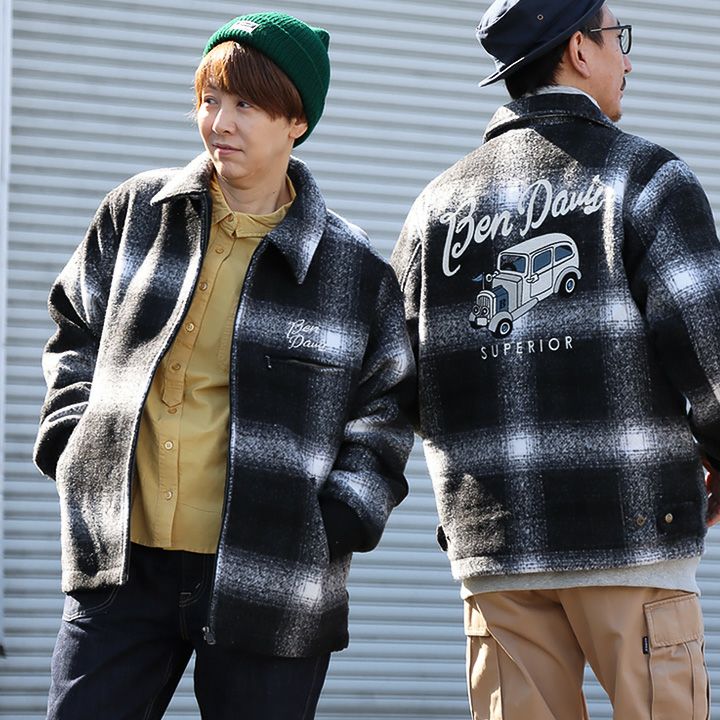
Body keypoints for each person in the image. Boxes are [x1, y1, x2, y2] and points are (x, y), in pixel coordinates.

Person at [34, 12, 414, 720]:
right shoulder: (136, 215)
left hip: (271, 574)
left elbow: (387, 407)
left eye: (246, 104)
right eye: (210, 100)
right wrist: (74, 443)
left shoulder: (352, 268)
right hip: (123, 563)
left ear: (296, 121)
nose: (220, 123)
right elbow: (73, 328)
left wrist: (335, 520)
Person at [391, 1, 720, 718]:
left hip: (497, 553)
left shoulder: (432, 210)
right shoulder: (646, 179)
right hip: (635, 536)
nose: (626, 59)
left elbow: (396, 383)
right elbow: (711, 352)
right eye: (617, 38)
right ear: (579, 49)